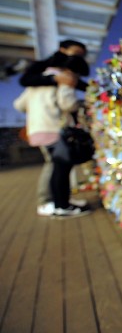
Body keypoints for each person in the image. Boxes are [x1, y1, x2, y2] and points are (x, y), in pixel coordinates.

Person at [15, 41, 91, 217]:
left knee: (56, 165)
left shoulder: (38, 80)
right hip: (54, 128)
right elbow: (68, 103)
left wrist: (37, 110)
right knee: (60, 167)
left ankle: (60, 202)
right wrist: (80, 103)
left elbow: (19, 104)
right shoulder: (65, 77)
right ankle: (59, 205)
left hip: (37, 128)